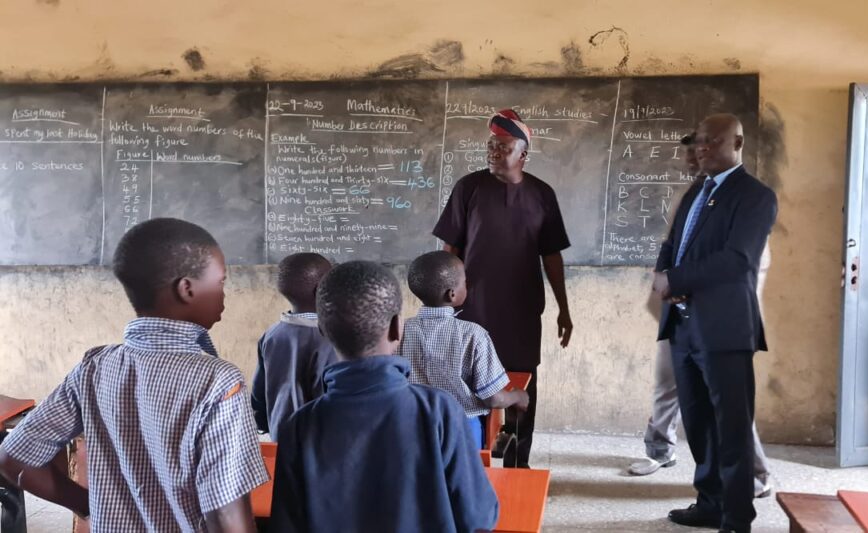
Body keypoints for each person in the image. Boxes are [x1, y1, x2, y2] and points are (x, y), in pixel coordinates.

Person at [0, 218, 268, 532]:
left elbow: (12, 457)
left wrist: (86, 504)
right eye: (220, 282)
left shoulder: (95, 367)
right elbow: (226, 518)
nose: (224, 294)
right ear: (187, 289)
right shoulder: (217, 381)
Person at [269, 261, 499, 533]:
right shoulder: (439, 411)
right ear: (396, 329)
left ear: (323, 330)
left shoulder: (299, 426)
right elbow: (478, 518)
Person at [629, 134, 774, 500]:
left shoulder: (744, 200)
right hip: (680, 313)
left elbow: (739, 266)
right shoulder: (691, 196)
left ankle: (755, 476)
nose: (695, 158)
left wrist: (681, 282)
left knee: (728, 404)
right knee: (668, 384)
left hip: (720, 325)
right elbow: (670, 245)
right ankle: (662, 452)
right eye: (692, 153)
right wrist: (667, 281)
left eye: (704, 150)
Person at [434, 108, 573, 468]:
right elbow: (450, 250)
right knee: (468, 385)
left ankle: (517, 463)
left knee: (522, 386)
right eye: (491, 145)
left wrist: (564, 308)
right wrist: (442, 303)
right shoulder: (469, 187)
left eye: (503, 145)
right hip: (472, 310)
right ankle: (471, 462)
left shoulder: (542, 194)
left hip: (522, 312)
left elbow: (552, 255)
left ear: (523, 154)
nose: (493, 151)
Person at [398, 251, 530, 449]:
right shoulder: (473, 334)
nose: (467, 285)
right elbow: (493, 398)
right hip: (461, 430)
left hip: (409, 428)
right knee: (461, 478)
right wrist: (518, 396)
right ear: (451, 293)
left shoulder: (399, 330)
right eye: (464, 282)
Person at [251, 252, 336, 441]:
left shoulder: (272, 335)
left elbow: (259, 395)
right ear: (323, 289)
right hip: (322, 444)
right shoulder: (333, 339)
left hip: (282, 438)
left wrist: (265, 424)